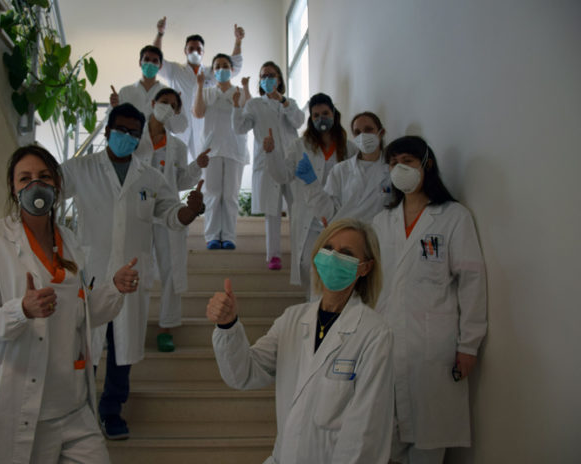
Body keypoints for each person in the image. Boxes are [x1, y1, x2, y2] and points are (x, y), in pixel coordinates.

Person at [0, 145, 140, 463]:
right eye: (25, 178)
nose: (35, 185)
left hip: (71, 404)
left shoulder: (69, 240)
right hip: (20, 405)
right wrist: (21, 311)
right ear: (13, 189)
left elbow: (81, 314)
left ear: (57, 185)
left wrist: (115, 287)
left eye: (44, 176)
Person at [61, 103, 205, 440]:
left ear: (140, 138)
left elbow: (170, 213)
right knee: (85, 344)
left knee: (121, 348)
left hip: (130, 275)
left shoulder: (150, 178)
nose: (127, 137)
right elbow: (50, 189)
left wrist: (189, 212)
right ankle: (79, 411)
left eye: (133, 133)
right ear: (108, 130)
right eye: (121, 130)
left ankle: (112, 411)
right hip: (93, 273)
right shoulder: (81, 168)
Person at [207, 218, 394, 463]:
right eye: (328, 248)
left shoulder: (374, 334)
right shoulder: (292, 319)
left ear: (365, 267)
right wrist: (228, 324)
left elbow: (364, 435)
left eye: (346, 253)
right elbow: (244, 374)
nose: (333, 257)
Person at [372, 136, 487, 463]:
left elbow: (472, 281)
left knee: (430, 442)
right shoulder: (382, 222)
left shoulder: (453, 217)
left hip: (434, 347)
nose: (399, 169)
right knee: (385, 441)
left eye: (407, 161)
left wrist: (469, 345)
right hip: (386, 341)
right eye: (393, 163)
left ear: (427, 164)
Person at [133, 87, 210, 352]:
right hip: (137, 214)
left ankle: (166, 327)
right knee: (135, 269)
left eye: (173, 105)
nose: (167, 107)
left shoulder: (177, 146)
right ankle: (131, 324)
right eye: (163, 101)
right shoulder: (135, 139)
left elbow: (182, 181)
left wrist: (197, 165)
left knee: (170, 271)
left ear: (176, 112)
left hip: (167, 215)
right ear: (153, 102)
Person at [265, 93, 358, 295]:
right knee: (308, 265)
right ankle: (313, 306)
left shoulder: (349, 149)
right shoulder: (299, 146)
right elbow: (283, 175)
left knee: (336, 269)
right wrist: (271, 154)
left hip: (337, 217)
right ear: (310, 119)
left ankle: (329, 307)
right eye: (316, 115)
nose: (321, 118)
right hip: (309, 218)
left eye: (325, 113)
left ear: (334, 114)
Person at [233, 61, 304, 269]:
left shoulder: (289, 102)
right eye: (263, 76)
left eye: (271, 75)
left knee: (297, 208)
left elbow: (299, 121)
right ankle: (273, 256)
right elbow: (240, 128)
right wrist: (236, 106)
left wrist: (283, 101)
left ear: (279, 79)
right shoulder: (254, 104)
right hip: (268, 162)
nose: (267, 79)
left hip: (291, 162)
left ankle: (300, 252)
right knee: (272, 211)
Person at [153, 16, 245, 161]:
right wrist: (160, 34)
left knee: (202, 166)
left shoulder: (211, 72)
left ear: (203, 52)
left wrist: (238, 42)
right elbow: (156, 59)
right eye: (191, 49)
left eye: (198, 49)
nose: (195, 52)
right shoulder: (175, 70)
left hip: (204, 128)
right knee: (176, 164)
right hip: (179, 125)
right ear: (185, 51)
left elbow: (235, 65)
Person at [193, 53, 250, 250]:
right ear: (213, 71)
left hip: (235, 149)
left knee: (230, 195)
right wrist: (200, 85)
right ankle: (212, 236)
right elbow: (198, 113)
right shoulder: (207, 92)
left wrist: (246, 89)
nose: (221, 69)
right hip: (211, 150)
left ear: (232, 70)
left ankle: (228, 236)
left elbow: (250, 111)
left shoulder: (239, 91)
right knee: (212, 194)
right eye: (217, 66)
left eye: (225, 65)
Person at [302, 111, 391, 225]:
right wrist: (311, 184)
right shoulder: (340, 170)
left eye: (368, 130)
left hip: (379, 234)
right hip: (345, 231)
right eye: (357, 132)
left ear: (381, 133)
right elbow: (327, 212)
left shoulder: (391, 169)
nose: (363, 136)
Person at [108, 44, 187, 133]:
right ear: (140, 62)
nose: (150, 63)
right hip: (130, 140)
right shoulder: (125, 91)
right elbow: (110, 123)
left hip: (158, 141)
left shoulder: (169, 96)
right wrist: (114, 107)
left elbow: (179, 128)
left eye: (155, 61)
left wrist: (176, 109)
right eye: (146, 59)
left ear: (160, 66)